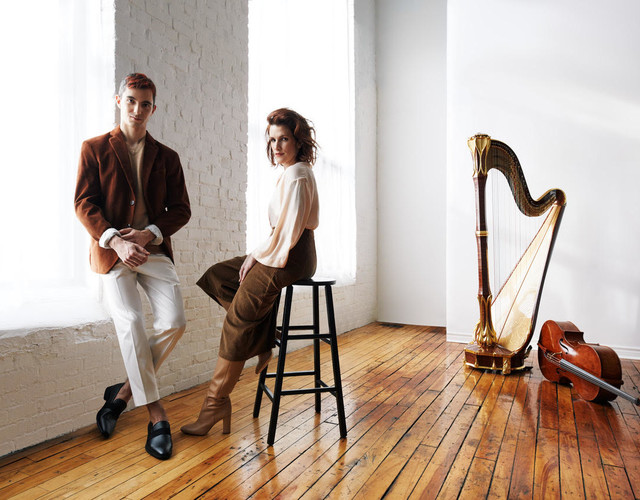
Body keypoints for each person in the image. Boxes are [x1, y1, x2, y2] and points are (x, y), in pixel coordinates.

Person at [181, 108, 319, 437]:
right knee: (218, 277)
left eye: (283, 138)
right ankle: (262, 336)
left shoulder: (298, 174)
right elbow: (281, 231)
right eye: (272, 139)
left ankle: (215, 404)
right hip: (282, 246)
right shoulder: (289, 172)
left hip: (293, 254)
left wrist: (257, 255)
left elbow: (289, 232)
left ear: (298, 141)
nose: (276, 145)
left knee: (237, 320)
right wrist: (256, 255)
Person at [74, 73, 191, 460]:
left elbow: (181, 209)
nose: (137, 110)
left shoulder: (167, 157)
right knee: (132, 322)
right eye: (131, 101)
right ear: (118, 101)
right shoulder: (93, 149)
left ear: (153, 108)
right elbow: (84, 204)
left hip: (152, 252)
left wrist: (148, 235)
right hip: (113, 253)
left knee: (174, 321)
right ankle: (156, 417)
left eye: (145, 104)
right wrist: (118, 240)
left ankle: (121, 393)